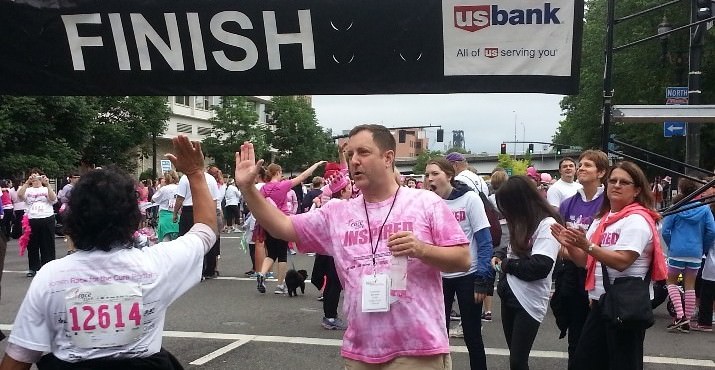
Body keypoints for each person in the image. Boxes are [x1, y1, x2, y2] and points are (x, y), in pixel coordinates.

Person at [235, 124, 470, 368]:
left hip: (418, 351)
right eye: (350, 155)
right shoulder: (337, 213)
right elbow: (282, 226)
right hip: (360, 354)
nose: (354, 161)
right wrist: (248, 189)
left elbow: (463, 259)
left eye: (363, 152)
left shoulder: (425, 203)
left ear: (388, 157)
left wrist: (422, 250)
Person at [0, 135, 217, 370]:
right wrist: (195, 172)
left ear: (73, 217)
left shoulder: (50, 276)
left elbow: (18, 358)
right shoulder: (156, 264)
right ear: (132, 216)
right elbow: (205, 231)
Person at [551, 161, 667, 370]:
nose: (616, 185)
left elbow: (623, 261)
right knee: (584, 363)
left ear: (637, 189)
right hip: (601, 303)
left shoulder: (637, 220)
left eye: (624, 182)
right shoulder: (602, 219)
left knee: (622, 364)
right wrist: (571, 245)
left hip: (626, 305)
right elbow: (586, 262)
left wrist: (587, 245)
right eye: (613, 180)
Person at [426, 158, 493, 370]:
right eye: (427, 175)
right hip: (439, 277)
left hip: (468, 274)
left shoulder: (470, 199)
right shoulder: (428, 202)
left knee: (472, 335)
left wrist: (483, 279)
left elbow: (484, 240)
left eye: (435, 174)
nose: (430, 179)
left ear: (449, 175)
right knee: (437, 336)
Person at [492, 176, 561, 370]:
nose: (505, 211)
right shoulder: (521, 219)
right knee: (515, 359)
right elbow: (508, 247)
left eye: (507, 205)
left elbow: (540, 266)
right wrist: (498, 254)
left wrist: (506, 265)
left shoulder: (547, 224)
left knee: (518, 360)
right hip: (509, 294)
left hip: (529, 298)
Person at [550, 149, 608, 369]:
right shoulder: (567, 204)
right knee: (576, 335)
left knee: (599, 337)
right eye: (580, 164)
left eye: (587, 165)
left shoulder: (608, 203)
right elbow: (560, 244)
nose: (581, 168)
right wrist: (570, 250)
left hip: (600, 275)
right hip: (574, 276)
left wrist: (581, 248)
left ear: (601, 172)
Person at [255, 161, 326, 295]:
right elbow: (303, 176)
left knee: (271, 253)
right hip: (282, 221)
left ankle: (262, 273)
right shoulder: (283, 185)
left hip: (267, 223)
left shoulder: (263, 188)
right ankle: (280, 285)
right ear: (278, 173)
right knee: (282, 254)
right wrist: (316, 165)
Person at [661, 178, 715, 332]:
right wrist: (703, 246)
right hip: (696, 252)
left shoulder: (676, 208)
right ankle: (688, 319)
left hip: (677, 251)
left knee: (671, 282)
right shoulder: (704, 209)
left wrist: (672, 244)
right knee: (690, 285)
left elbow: (665, 230)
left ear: (681, 190)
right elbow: (712, 231)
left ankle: (680, 316)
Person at [173, 168, 220, 280]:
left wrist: (175, 213)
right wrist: (213, 213)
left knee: (186, 239)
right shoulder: (211, 179)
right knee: (208, 238)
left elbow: (180, 198)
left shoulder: (185, 178)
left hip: (189, 210)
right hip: (207, 209)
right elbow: (214, 199)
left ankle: (190, 270)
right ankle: (209, 269)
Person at [17, 169, 57, 278]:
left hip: (46, 218)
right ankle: (33, 268)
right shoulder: (27, 190)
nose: (36, 180)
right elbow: (19, 196)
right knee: (32, 245)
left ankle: (48, 267)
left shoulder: (45, 189)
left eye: (38, 178)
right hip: (31, 219)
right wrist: (27, 182)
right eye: (34, 178)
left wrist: (47, 184)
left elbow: (53, 198)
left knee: (47, 245)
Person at [151, 170, 180, 242]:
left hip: (165, 216)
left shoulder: (164, 189)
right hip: (176, 216)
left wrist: (161, 187)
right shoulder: (179, 188)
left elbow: (153, 199)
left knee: (165, 242)